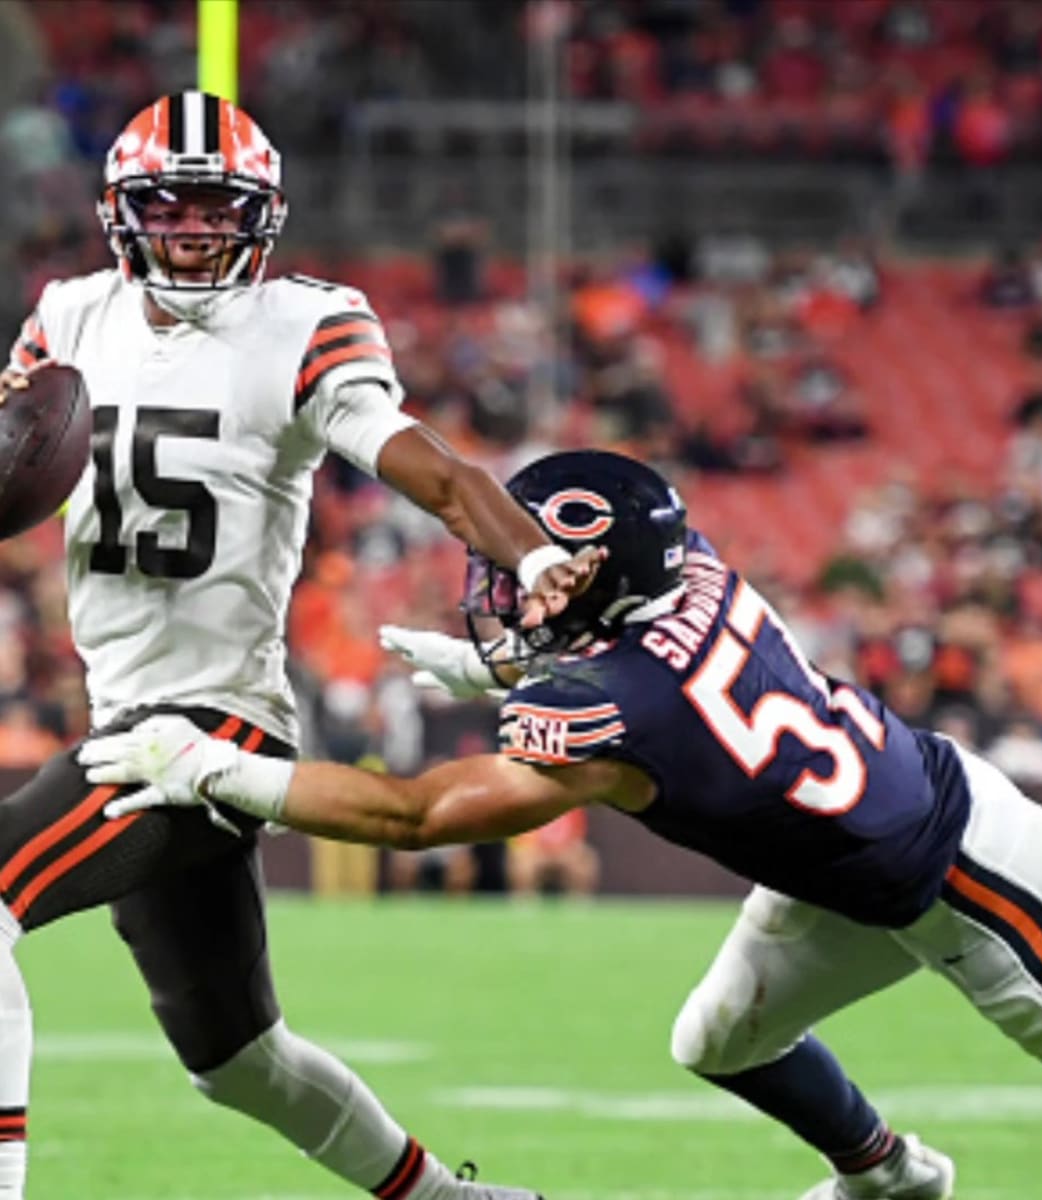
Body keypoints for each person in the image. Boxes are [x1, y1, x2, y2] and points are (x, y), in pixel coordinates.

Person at [84, 450, 1042, 1200]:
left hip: (975, 884)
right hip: (848, 860)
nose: (516, 580)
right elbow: (646, 656)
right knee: (721, 1041)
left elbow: (415, 813)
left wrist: (214, 771)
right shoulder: (689, 565)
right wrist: (493, 667)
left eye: (541, 565)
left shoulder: (621, 708)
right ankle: (888, 1176)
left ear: (599, 572)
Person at [0, 91, 607, 1200]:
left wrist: (529, 559)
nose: (190, 229)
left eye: (214, 208)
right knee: (238, 1062)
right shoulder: (69, 314)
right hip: (123, 713)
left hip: (208, 723)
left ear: (262, 217)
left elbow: (426, 462)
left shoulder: (307, 323)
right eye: (167, 206)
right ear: (120, 213)